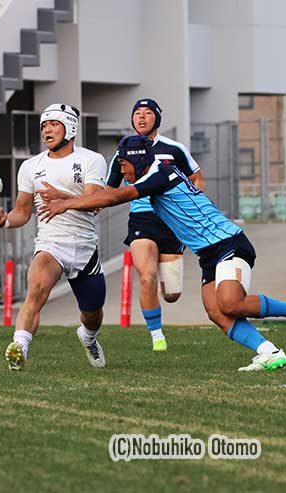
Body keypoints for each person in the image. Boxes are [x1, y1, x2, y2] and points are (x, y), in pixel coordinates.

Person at [40, 135, 286, 372]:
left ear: (137, 160)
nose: (123, 172)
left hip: (228, 243)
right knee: (215, 311)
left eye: (124, 165)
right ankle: (269, 352)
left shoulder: (162, 172)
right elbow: (107, 196)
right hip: (209, 253)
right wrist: (64, 197)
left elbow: (118, 196)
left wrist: (65, 203)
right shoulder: (154, 174)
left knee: (231, 303)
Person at [0, 103, 108, 371]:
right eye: (44, 126)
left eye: (53, 125)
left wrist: (63, 198)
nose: (46, 130)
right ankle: (18, 348)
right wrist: (5, 222)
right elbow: (22, 212)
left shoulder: (91, 159)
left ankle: (88, 338)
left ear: (70, 128)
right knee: (35, 292)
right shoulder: (30, 166)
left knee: (93, 314)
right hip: (50, 244)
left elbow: (95, 200)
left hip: (85, 248)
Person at [106, 98, 206, 351]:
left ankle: (162, 305)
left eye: (147, 113)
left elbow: (197, 177)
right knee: (147, 276)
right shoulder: (123, 152)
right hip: (142, 221)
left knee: (172, 295)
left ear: (157, 119)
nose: (141, 117)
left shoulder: (174, 149)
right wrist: (88, 205)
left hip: (172, 222)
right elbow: (109, 190)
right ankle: (157, 336)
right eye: (137, 113)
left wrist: (193, 202)